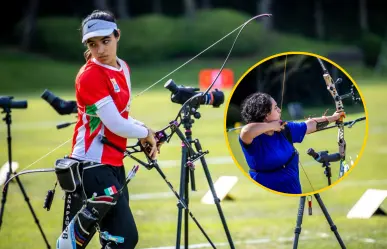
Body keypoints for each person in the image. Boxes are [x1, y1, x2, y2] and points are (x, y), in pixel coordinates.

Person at [68, 10, 158, 249]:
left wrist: (144, 130)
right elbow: (115, 124)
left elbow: (122, 117)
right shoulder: (89, 76)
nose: (100, 50)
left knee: (113, 239)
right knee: (126, 238)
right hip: (91, 165)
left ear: (117, 35)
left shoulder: (123, 67)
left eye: (106, 41)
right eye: (92, 44)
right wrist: (145, 133)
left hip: (114, 163)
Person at [238, 92, 344, 194]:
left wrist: (334, 118)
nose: (279, 110)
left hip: (293, 191)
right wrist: (272, 126)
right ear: (266, 114)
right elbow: (246, 131)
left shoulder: (284, 128)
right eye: (275, 108)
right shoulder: (254, 138)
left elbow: (309, 125)